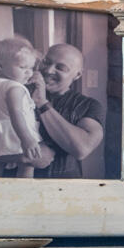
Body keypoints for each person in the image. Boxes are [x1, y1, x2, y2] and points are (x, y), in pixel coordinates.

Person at [32, 38, 108, 180]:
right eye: (47, 62)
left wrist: (42, 103)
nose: (48, 70)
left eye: (60, 68)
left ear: (77, 75)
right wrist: (23, 157)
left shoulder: (89, 106)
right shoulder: (16, 92)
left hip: (64, 188)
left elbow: (81, 149)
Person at [0, 35, 52, 177]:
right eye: (22, 67)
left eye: (31, 68)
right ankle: (23, 190)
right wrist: (27, 139)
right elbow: (16, 114)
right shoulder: (15, 88)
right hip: (17, 132)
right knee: (28, 163)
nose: (29, 72)